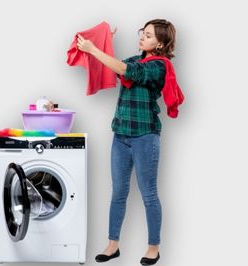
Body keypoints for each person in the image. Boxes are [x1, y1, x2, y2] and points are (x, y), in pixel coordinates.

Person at [76, 18, 179, 265]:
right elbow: (117, 66)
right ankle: (113, 245)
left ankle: (153, 247)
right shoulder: (135, 59)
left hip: (145, 136)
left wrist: (93, 49)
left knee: (149, 194)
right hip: (121, 135)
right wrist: (105, 42)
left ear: (162, 44)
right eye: (143, 32)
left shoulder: (159, 66)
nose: (143, 36)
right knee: (118, 193)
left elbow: (126, 71)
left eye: (150, 35)